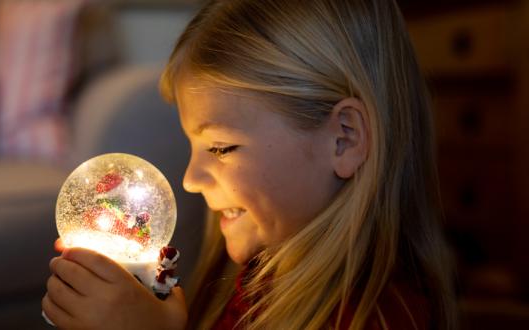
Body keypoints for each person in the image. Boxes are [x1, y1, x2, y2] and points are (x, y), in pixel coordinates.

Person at [42, 0, 457, 329]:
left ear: (344, 138)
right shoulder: (258, 277)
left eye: (220, 148)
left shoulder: (374, 316)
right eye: (193, 145)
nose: (189, 180)